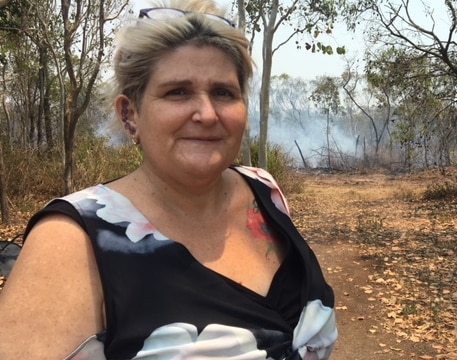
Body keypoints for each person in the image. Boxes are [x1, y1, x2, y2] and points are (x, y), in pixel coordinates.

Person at [0, 1, 337, 358]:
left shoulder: (263, 189)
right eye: (178, 91)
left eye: (224, 92)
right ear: (130, 115)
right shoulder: (72, 240)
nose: (207, 114)